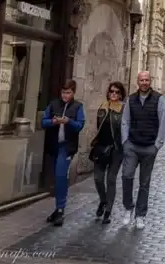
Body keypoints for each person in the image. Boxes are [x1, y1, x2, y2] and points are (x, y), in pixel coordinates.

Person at [121, 71, 165, 230]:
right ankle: (128, 207)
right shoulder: (131, 99)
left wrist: (157, 145)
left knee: (144, 183)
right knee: (126, 176)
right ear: (137, 81)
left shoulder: (159, 99)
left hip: (149, 147)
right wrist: (125, 141)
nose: (144, 83)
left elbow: (163, 123)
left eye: (147, 80)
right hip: (132, 146)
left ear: (150, 81)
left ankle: (140, 215)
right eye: (142, 80)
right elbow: (125, 121)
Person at [41, 79, 85, 226]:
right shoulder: (53, 104)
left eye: (68, 93)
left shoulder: (78, 107)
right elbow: (43, 122)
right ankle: (57, 209)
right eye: (63, 92)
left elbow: (80, 125)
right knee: (55, 177)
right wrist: (53, 122)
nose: (65, 95)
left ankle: (60, 209)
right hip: (53, 145)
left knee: (61, 176)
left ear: (73, 93)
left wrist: (68, 122)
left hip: (66, 147)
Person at [91, 81, 126, 224]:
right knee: (98, 179)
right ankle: (103, 200)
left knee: (111, 179)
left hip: (116, 149)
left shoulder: (124, 109)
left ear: (121, 94)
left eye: (117, 92)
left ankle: (108, 211)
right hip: (101, 147)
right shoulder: (103, 107)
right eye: (112, 91)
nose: (114, 94)